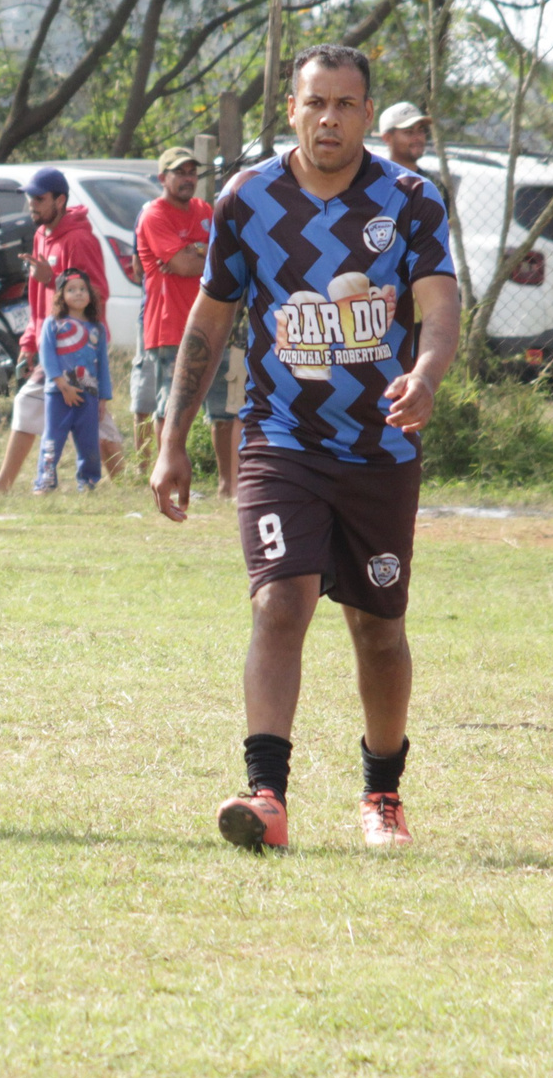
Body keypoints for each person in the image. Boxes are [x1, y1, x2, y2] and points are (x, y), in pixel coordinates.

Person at [150, 44, 460, 855]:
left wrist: (426, 375)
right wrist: (173, 437)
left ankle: (382, 793)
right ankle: (267, 797)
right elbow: (211, 318)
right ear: (291, 109)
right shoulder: (248, 199)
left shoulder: (410, 200)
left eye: (345, 104)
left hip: (381, 447)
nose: (329, 119)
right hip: (279, 439)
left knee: (378, 629)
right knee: (279, 602)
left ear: (368, 115)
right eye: (315, 102)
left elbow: (440, 304)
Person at [0, 167, 123, 492]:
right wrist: (29, 341)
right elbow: (38, 299)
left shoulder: (80, 239)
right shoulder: (41, 235)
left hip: (80, 345)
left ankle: (5, 484)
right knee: (90, 416)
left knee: (45, 405)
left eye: (39, 198)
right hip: (53, 343)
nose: (32, 205)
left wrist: (54, 279)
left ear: (60, 200)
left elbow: (98, 293)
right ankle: (126, 483)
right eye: (30, 198)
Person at [131, 147, 212, 463]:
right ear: (162, 178)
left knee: (211, 406)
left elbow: (225, 253)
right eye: (179, 172)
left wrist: (197, 251)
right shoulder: (154, 215)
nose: (188, 178)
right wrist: (199, 254)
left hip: (207, 323)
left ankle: (196, 469)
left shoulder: (204, 210)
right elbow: (183, 265)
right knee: (169, 404)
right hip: (168, 323)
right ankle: (165, 468)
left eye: (192, 172)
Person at [33, 269, 109, 493]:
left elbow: (103, 365)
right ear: (61, 296)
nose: (78, 294)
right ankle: (45, 480)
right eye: (71, 290)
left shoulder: (97, 329)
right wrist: (63, 385)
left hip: (88, 394)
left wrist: (103, 398)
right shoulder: (53, 324)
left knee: (88, 440)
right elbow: (47, 357)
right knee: (53, 438)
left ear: (90, 295)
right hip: (58, 394)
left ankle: (88, 481)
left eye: (83, 289)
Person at [379, 101, 431, 175]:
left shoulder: (430, 182)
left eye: (420, 130)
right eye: (409, 132)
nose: (418, 137)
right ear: (387, 138)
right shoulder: (373, 180)